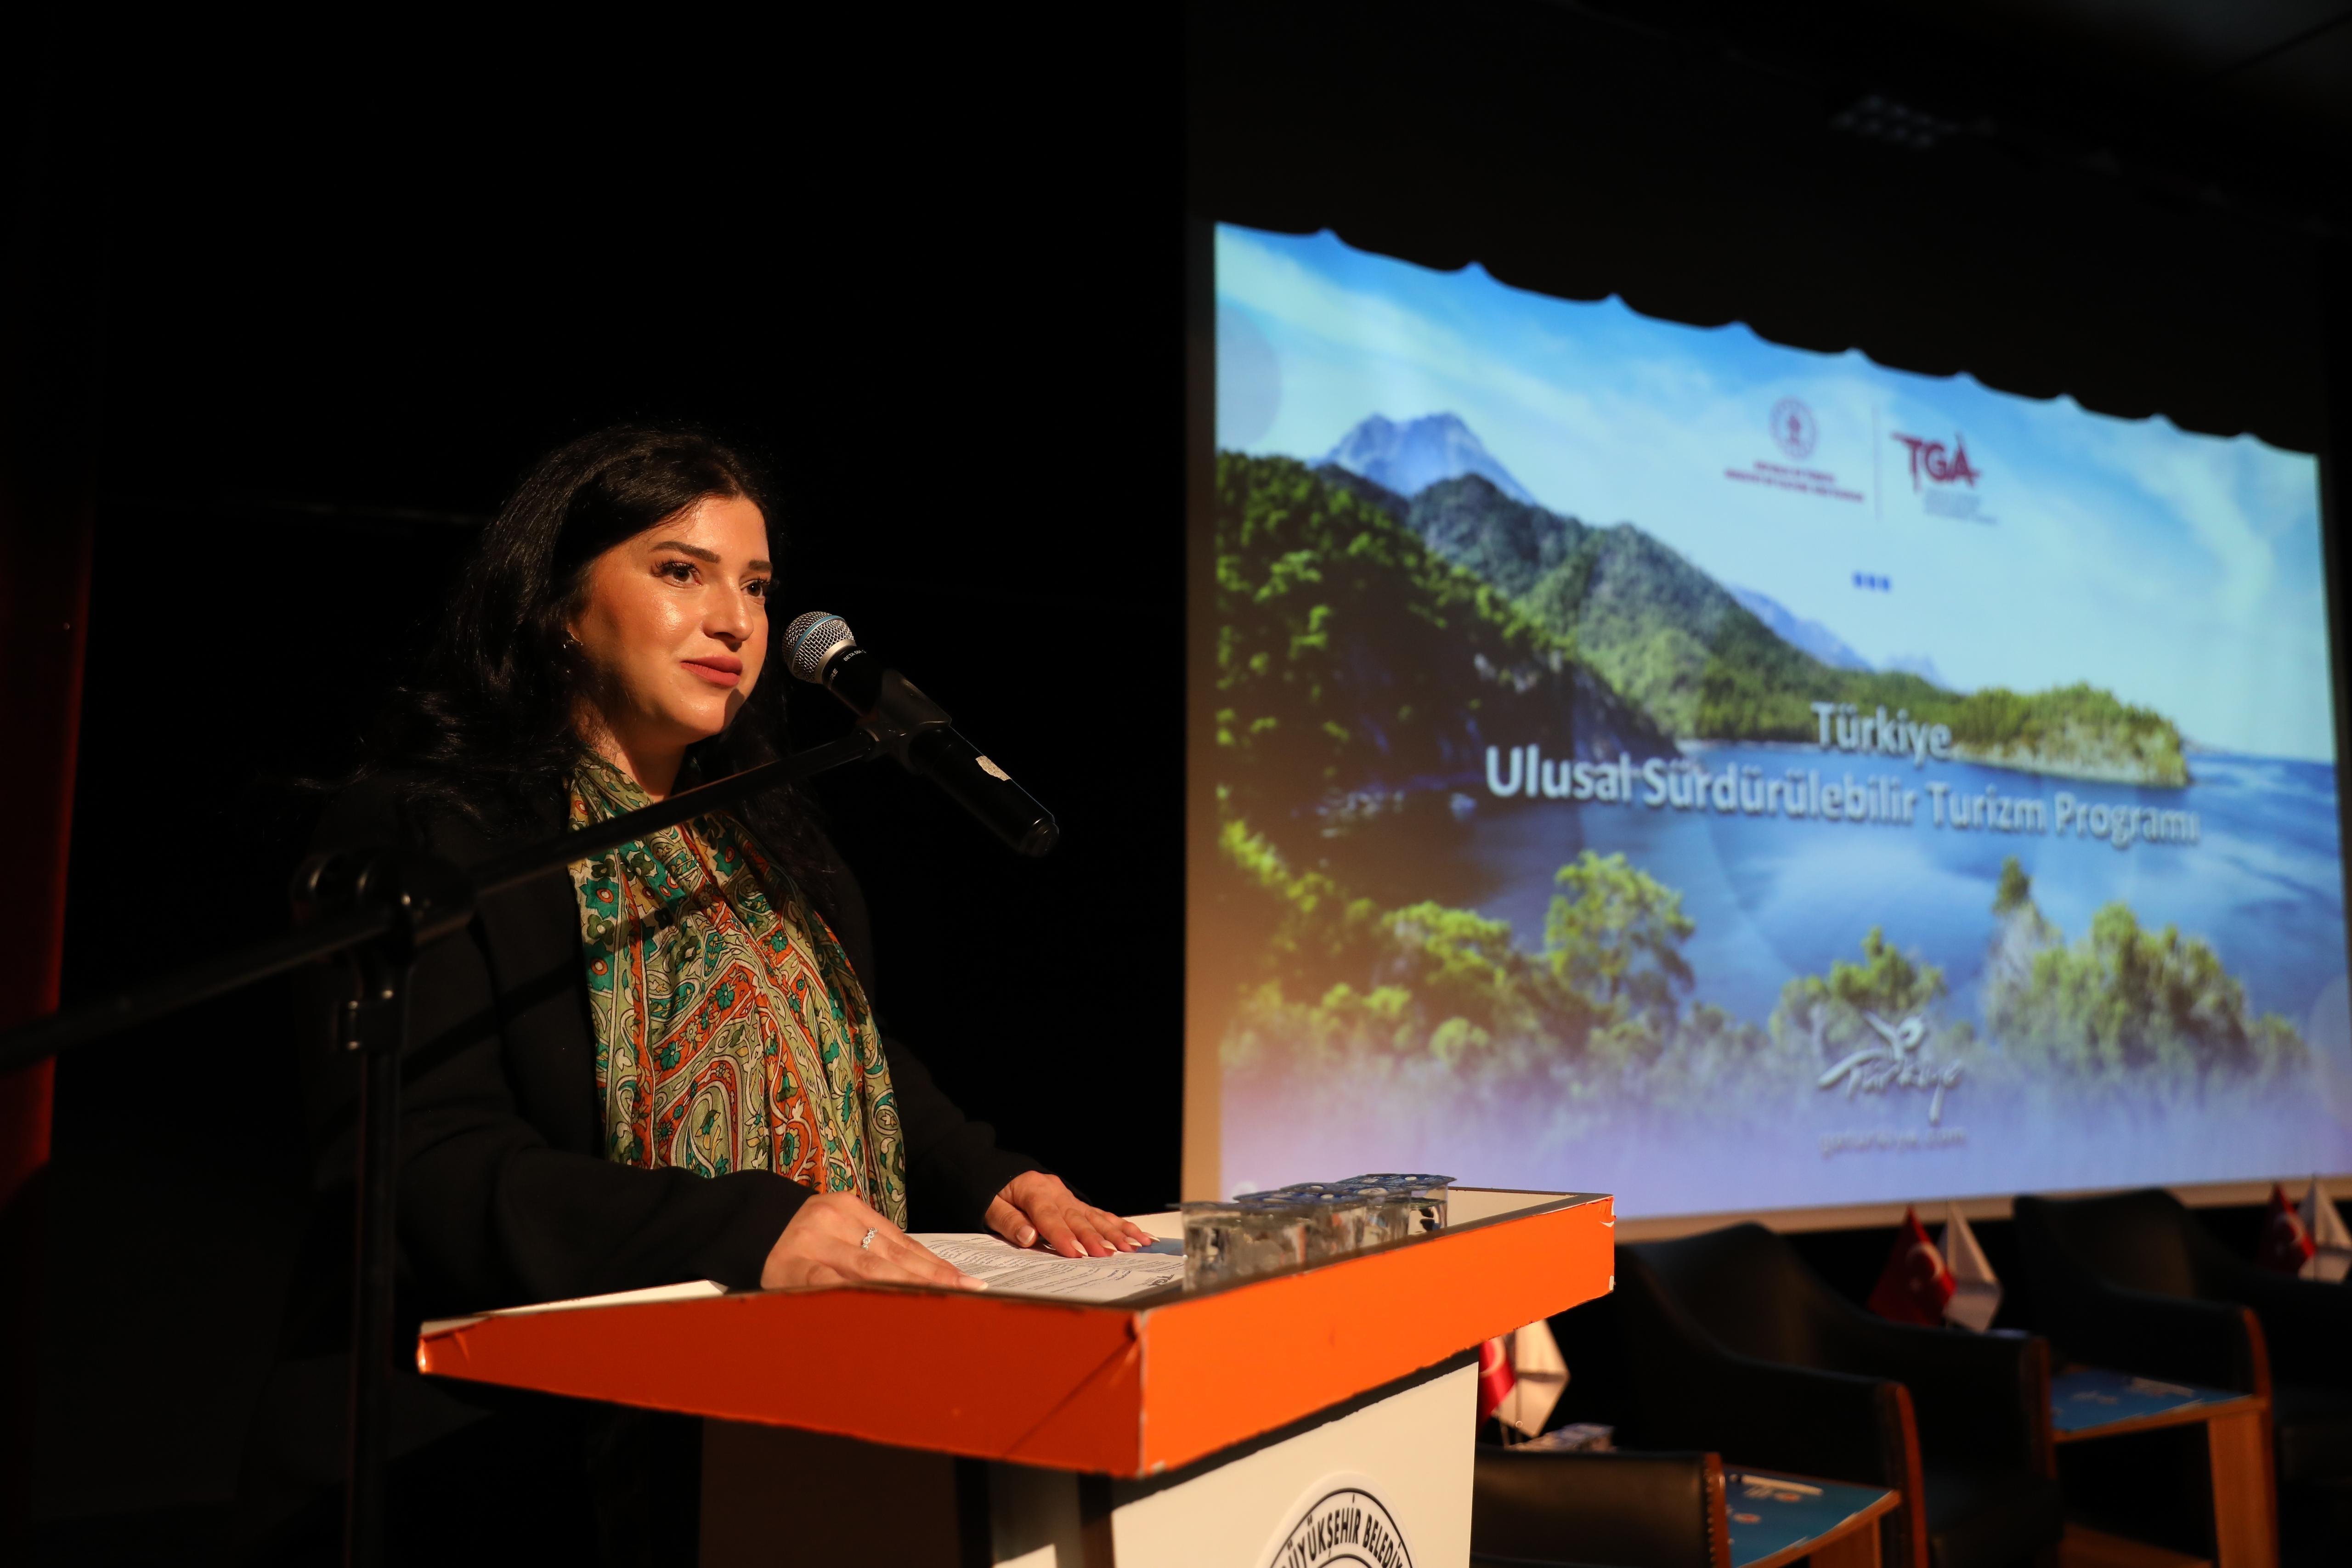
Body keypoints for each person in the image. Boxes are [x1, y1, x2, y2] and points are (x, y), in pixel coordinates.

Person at [237, 424, 1146, 1564]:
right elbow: (425, 1167)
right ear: (559, 605)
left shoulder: (769, 842)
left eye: (756, 587)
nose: (735, 621)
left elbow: (849, 1051)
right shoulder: (436, 833)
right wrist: (747, 1229)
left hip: (789, 1440)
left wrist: (994, 1177)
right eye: (682, 571)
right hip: (492, 1466)